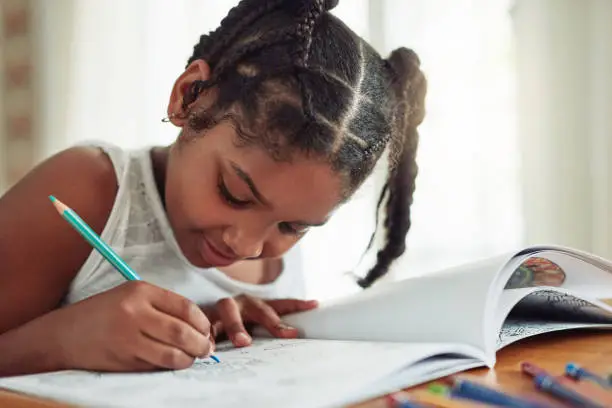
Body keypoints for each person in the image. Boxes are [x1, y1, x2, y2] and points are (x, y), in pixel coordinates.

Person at [0, 0, 427, 376]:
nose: (247, 247)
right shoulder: (89, 188)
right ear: (190, 97)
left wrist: (217, 331)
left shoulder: (271, 259)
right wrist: (65, 339)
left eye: (294, 226)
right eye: (234, 194)